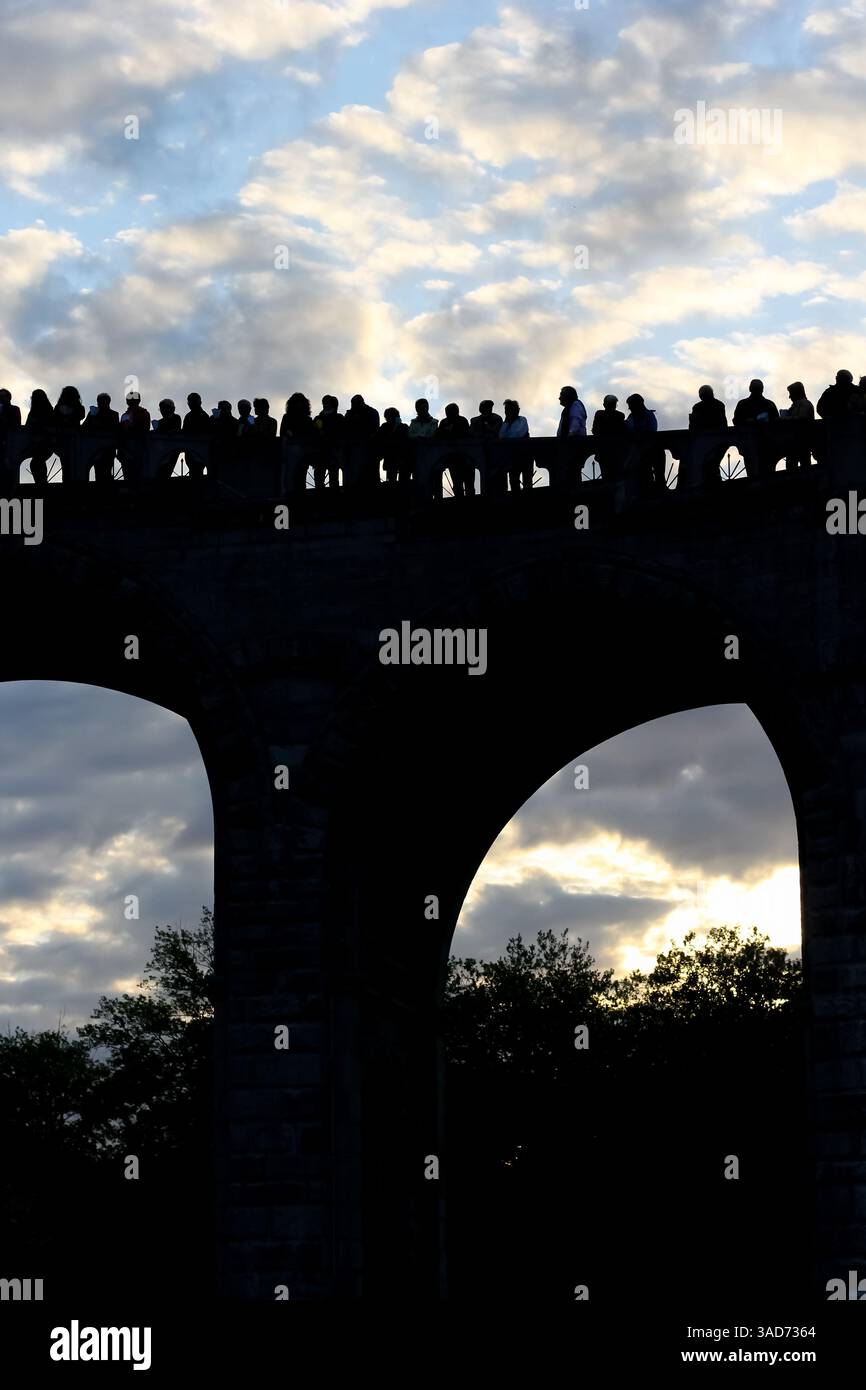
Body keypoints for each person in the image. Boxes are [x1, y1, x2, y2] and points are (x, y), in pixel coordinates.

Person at [733, 379, 780, 478]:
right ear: (762, 389)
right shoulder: (769, 404)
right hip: (761, 443)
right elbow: (776, 422)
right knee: (765, 474)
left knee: (754, 473)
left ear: (749, 388)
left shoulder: (743, 404)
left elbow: (736, 421)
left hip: (760, 443)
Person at [688, 385, 727, 487]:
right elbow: (724, 425)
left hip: (708, 441)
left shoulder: (698, 407)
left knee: (709, 465)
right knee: (712, 466)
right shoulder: (718, 405)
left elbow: (692, 426)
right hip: (712, 441)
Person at [625, 393, 665, 491]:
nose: (629, 408)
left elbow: (651, 433)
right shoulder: (632, 416)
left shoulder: (648, 415)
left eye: (631, 406)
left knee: (651, 475)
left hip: (648, 450)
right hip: (638, 451)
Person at [280, 394, 316, 492]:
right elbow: (283, 432)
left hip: (303, 451)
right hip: (290, 450)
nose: (298, 405)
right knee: (290, 477)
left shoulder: (307, 419)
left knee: (299, 477)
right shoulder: (287, 417)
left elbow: (310, 435)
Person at [82, 392, 120, 484]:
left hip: (106, 448)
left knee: (104, 472)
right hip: (97, 448)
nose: (100, 403)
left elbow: (114, 429)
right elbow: (84, 427)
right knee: (100, 472)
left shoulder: (113, 414)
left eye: (102, 401)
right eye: (100, 401)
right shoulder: (94, 413)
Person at [437, 402, 473, 497]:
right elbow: (439, 435)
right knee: (457, 484)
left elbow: (464, 435)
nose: (448, 414)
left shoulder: (462, 421)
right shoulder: (443, 422)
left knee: (468, 483)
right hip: (452, 458)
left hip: (464, 457)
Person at [344, 394, 380, 487]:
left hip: (368, 449)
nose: (354, 406)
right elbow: (345, 430)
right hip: (353, 449)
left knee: (368, 477)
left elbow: (374, 430)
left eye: (355, 403)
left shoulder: (371, 412)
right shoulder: (349, 414)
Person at [53, 384, 85, 481]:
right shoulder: (79, 408)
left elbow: (54, 420)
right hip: (72, 440)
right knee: (72, 465)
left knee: (66, 465)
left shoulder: (58, 408)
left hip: (65, 439)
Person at [591, 394, 627, 482]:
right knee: (617, 477)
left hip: (604, 451)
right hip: (617, 451)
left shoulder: (599, 414)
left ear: (604, 405)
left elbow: (595, 430)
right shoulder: (620, 416)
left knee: (606, 477)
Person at [23, 388, 55, 487]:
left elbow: (28, 426)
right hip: (41, 444)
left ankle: (41, 483)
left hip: (43, 443)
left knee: (36, 462)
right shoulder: (48, 410)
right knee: (37, 462)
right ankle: (42, 482)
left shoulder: (40, 412)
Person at [499, 399, 532, 491]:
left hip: (525, 456)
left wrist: (507, 438)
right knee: (513, 481)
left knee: (527, 482)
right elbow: (501, 436)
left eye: (508, 409)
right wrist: (506, 422)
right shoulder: (505, 424)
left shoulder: (522, 420)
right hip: (512, 457)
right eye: (505, 409)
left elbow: (517, 435)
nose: (506, 412)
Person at [313, 395, 345, 488]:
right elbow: (314, 433)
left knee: (333, 476)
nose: (325, 405)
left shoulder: (338, 418)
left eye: (327, 403)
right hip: (321, 451)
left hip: (333, 451)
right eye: (324, 403)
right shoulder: (318, 418)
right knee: (320, 476)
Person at [783, 381, 814, 471]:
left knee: (802, 466)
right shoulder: (800, 405)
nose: (789, 397)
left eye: (790, 394)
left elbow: (801, 419)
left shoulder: (804, 404)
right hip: (797, 442)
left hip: (801, 441)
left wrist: (785, 418)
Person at [378, 407, 411, 486]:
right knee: (392, 482)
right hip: (392, 460)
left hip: (401, 459)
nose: (387, 420)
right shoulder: (385, 427)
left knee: (401, 482)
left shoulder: (403, 427)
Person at [182, 392, 211, 479]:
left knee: (196, 474)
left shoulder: (203, 416)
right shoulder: (190, 416)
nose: (190, 404)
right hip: (192, 450)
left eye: (191, 402)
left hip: (198, 449)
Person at [0, 388, 23, 486]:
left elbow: (16, 425)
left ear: (9, 398)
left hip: (10, 443)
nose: (1, 398)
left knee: (9, 469)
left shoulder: (14, 409)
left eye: (3, 396)